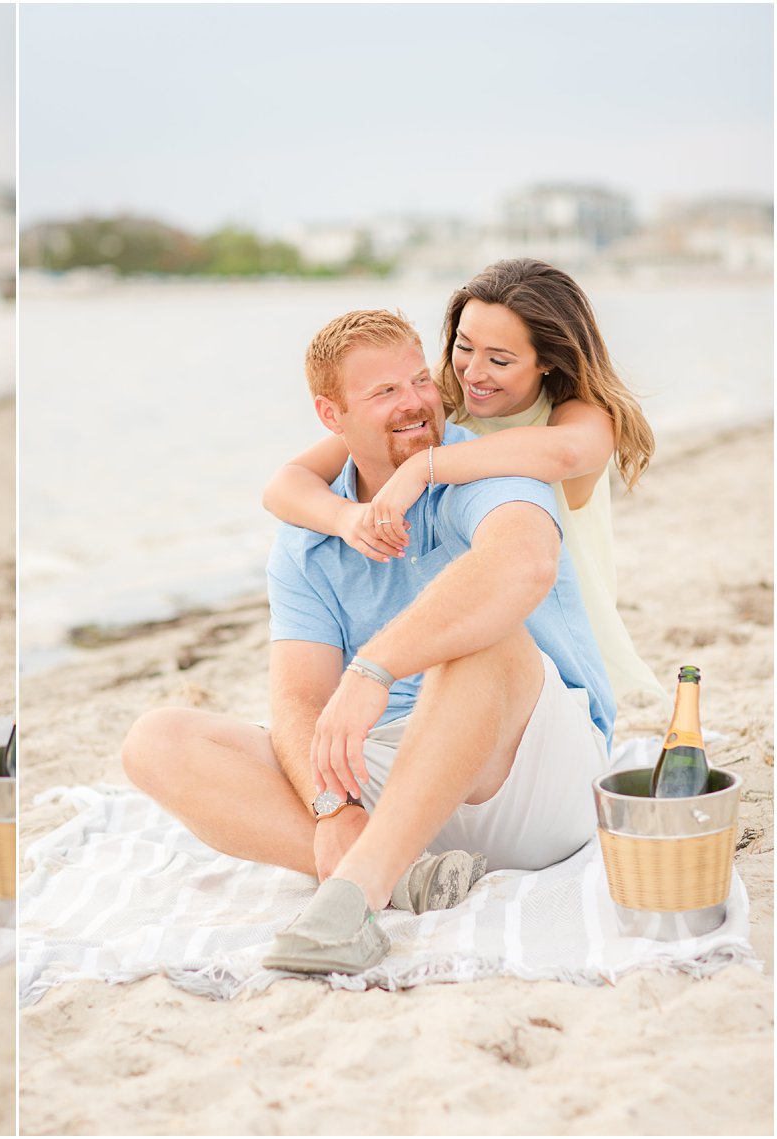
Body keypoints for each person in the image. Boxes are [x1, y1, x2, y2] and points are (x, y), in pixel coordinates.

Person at [123, 309, 614, 975]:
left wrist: (374, 667)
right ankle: (400, 870)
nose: (414, 402)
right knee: (157, 739)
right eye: (384, 392)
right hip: (393, 784)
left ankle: (354, 896)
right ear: (331, 415)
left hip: (523, 770)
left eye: (419, 380)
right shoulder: (308, 541)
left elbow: (523, 563)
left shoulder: (479, 469)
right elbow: (298, 698)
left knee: (483, 641)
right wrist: (331, 807)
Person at [262, 259, 664, 709]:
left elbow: (565, 453)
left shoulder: (580, 416)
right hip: (480, 616)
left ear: (548, 360)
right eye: (464, 346)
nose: (473, 372)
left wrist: (422, 467)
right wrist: (345, 517)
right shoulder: (438, 401)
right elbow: (284, 485)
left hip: (562, 627)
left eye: (500, 360)